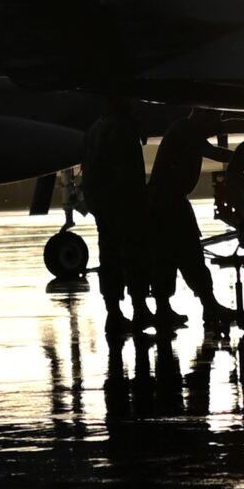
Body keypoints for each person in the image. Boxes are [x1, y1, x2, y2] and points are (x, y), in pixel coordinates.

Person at [146, 115, 240, 331]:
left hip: (164, 202)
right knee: (190, 255)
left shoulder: (184, 128)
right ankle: (209, 305)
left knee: (165, 258)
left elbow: (223, 127)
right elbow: (213, 152)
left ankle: (166, 310)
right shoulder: (187, 131)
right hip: (168, 203)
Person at [81, 96, 157, 335]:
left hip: (101, 203)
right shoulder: (121, 129)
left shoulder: (95, 128)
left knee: (109, 257)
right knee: (135, 256)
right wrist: (140, 202)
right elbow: (127, 173)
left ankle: (113, 313)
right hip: (123, 204)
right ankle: (140, 309)